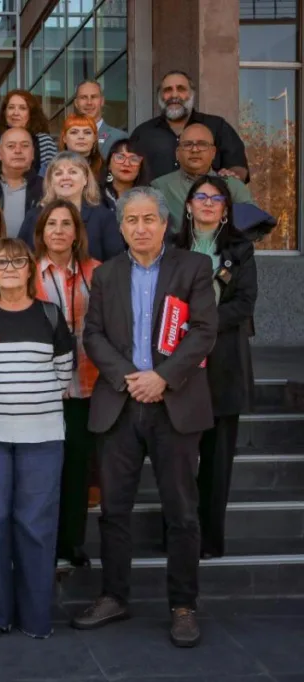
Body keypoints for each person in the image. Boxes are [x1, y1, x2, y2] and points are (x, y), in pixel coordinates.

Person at [72, 186, 217, 648]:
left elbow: (203, 330)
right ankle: (114, 596)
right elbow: (92, 335)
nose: (140, 227)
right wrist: (132, 376)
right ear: (120, 227)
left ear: (165, 223)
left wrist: (163, 378)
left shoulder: (193, 267)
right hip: (120, 403)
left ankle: (183, 605)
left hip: (175, 404)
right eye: (131, 220)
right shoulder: (107, 274)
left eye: (148, 219)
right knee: (114, 510)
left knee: (182, 512)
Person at [0, 238, 73, 639]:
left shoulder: (50, 315)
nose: (9, 268)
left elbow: (63, 374)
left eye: (17, 261)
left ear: (30, 269)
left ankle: (35, 616)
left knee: (36, 526)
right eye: (0, 262)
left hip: (42, 438)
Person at [172, 176, 257, 559]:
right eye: (200, 196)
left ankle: (209, 540)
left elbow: (243, 305)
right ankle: (178, 533)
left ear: (225, 207)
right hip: (177, 362)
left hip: (224, 363)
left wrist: (202, 326)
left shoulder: (241, 249)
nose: (207, 203)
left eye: (216, 198)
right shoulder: (171, 246)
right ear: (188, 205)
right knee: (178, 459)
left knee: (217, 461)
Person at [31, 200, 102, 567]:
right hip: (39, 390)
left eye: (66, 224)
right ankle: (39, 542)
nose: (58, 230)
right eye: (51, 224)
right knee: (41, 472)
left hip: (85, 385)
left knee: (77, 469)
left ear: (77, 233)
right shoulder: (27, 274)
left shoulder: (97, 272)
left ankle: (72, 542)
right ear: (41, 231)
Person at [129, 70, 249, 183]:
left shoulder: (218, 127)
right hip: (155, 204)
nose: (174, 95)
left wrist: (233, 177)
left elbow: (239, 167)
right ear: (160, 95)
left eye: (181, 89)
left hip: (207, 202)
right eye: (167, 90)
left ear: (192, 94)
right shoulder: (143, 133)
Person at [18, 152, 125, 262]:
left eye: (73, 172)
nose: (65, 178)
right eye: (58, 173)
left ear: (85, 179)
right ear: (50, 181)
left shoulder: (104, 217)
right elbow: (21, 258)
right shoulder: (34, 216)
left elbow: (115, 263)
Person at [150, 123, 255, 232]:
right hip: (177, 248)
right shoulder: (160, 187)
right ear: (177, 153)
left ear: (213, 152)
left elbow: (253, 226)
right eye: (187, 144)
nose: (195, 150)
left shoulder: (233, 186)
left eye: (202, 144)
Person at [0, 127, 43, 237]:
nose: (18, 150)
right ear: (0, 154)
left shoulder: (46, 188)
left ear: (33, 153)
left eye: (25, 146)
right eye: (11, 146)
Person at [0, 90, 57, 174]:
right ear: (4, 112)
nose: (15, 113)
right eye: (11, 107)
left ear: (31, 113)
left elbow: (51, 177)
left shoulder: (43, 141)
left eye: (22, 108)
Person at [73, 80, 127, 159]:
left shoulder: (120, 138)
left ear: (102, 101)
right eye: (83, 97)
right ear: (76, 103)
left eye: (94, 97)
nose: (89, 102)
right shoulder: (68, 139)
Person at [100, 139, 153, 213]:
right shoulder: (94, 196)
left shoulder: (153, 199)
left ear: (140, 167)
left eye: (134, 159)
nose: (127, 164)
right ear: (109, 165)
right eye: (120, 157)